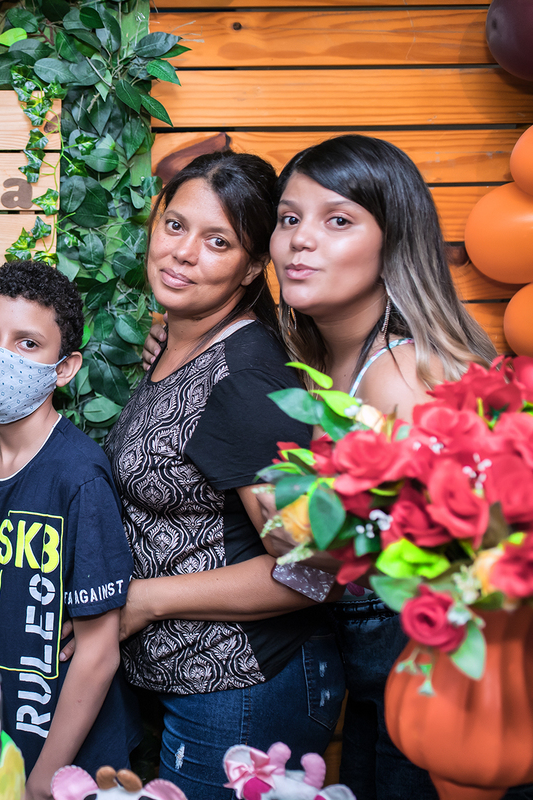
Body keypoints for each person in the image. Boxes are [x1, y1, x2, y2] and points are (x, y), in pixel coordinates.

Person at [140, 137, 502, 800]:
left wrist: (300, 543)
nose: (301, 240)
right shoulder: (311, 354)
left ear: (394, 241)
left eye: (338, 220)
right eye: (289, 218)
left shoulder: (404, 376)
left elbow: (474, 575)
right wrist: (180, 340)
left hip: (444, 675)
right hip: (375, 673)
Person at [103, 151, 344, 800]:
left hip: (244, 687)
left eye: (218, 242)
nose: (183, 253)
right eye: (175, 225)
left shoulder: (245, 380)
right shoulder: (179, 340)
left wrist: (146, 600)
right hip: (189, 684)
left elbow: (311, 572)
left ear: (253, 265)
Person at [0, 260, 141, 800]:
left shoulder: (79, 476)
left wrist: (46, 778)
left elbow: (99, 651)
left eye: (27, 343)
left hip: (70, 763)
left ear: (65, 368)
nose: (1, 357)